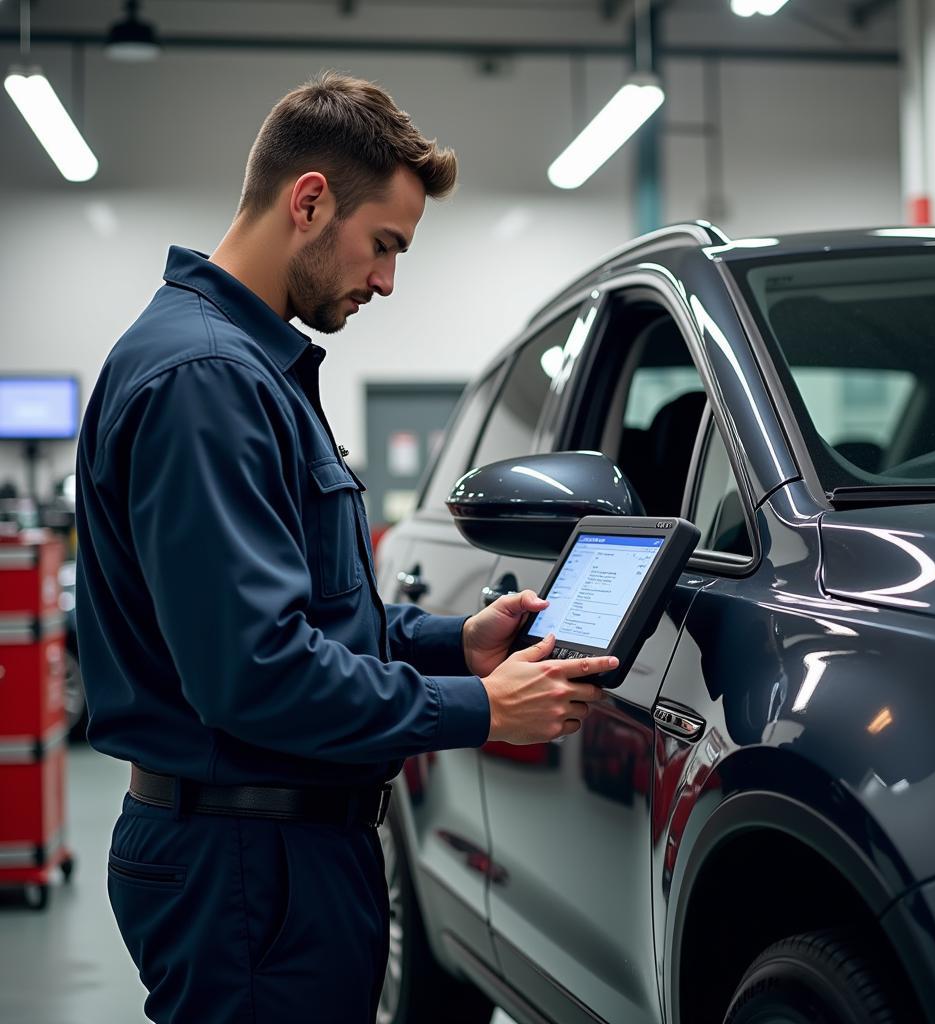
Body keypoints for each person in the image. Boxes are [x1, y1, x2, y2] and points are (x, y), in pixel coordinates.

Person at [75, 72, 616, 1024]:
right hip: (249, 870)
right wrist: (478, 709)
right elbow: (254, 673)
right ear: (311, 200)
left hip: (271, 857)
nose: (386, 280)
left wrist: (457, 643)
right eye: (385, 246)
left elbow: (310, 611)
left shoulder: (241, 369)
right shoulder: (207, 381)